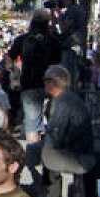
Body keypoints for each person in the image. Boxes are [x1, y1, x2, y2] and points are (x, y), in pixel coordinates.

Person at [40, 65, 94, 197]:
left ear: (53, 83)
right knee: (45, 150)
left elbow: (56, 134)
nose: (43, 84)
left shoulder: (63, 101)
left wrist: (43, 147)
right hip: (77, 150)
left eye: (46, 80)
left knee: (46, 154)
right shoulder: (68, 98)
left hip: (79, 156)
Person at [7, 11, 61, 145]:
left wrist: (14, 71)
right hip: (51, 85)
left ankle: (34, 154)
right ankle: (51, 149)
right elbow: (59, 63)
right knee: (54, 121)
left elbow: (9, 58)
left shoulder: (23, 39)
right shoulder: (53, 41)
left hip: (29, 84)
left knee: (32, 124)